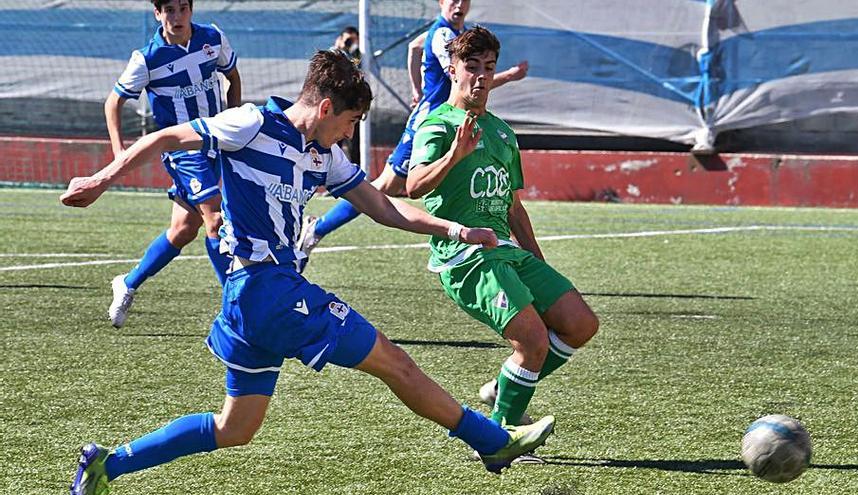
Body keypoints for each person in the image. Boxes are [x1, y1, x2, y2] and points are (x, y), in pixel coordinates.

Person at [62, 50, 555, 495]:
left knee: (235, 428)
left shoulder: (323, 154)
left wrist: (456, 230)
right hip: (268, 289)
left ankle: (109, 463)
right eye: (350, 122)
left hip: (252, 299)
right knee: (394, 362)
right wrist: (101, 178)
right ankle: (491, 441)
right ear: (325, 109)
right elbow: (166, 136)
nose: (349, 133)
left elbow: (385, 208)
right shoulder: (251, 123)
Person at [406, 26, 600, 436]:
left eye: (488, 68)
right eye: (471, 66)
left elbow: (513, 206)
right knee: (532, 341)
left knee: (580, 323)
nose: (480, 76)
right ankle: (499, 436)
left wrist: (539, 262)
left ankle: (504, 388)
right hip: (466, 256)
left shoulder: (501, 131)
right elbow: (414, 185)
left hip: (508, 251)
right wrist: (455, 156)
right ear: (453, 70)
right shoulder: (438, 124)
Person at [297, 0, 529, 270]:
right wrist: (509, 76)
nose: (459, 5)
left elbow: (414, 47)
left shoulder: (453, 32)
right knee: (382, 188)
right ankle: (317, 229)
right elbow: (464, 79)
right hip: (429, 127)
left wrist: (417, 89)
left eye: (464, 0)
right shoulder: (443, 34)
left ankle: (506, 246)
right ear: (441, 2)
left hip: (453, 123)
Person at [104, 0, 242, 328]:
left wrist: (235, 127)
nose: (176, 17)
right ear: (158, 13)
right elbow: (113, 103)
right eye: (169, 9)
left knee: (182, 230)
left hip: (214, 143)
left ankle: (129, 282)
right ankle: (238, 311)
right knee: (215, 220)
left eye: (182, 8)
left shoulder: (213, 38)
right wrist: (119, 153)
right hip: (183, 152)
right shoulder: (147, 58)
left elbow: (233, 78)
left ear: (191, 10)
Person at [331, 26, 362, 164]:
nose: (350, 43)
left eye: (353, 40)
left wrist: (356, 50)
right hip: (336, 106)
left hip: (352, 105)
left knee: (355, 144)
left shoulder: (357, 57)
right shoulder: (333, 54)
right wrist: (340, 47)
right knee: (333, 141)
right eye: (348, 40)